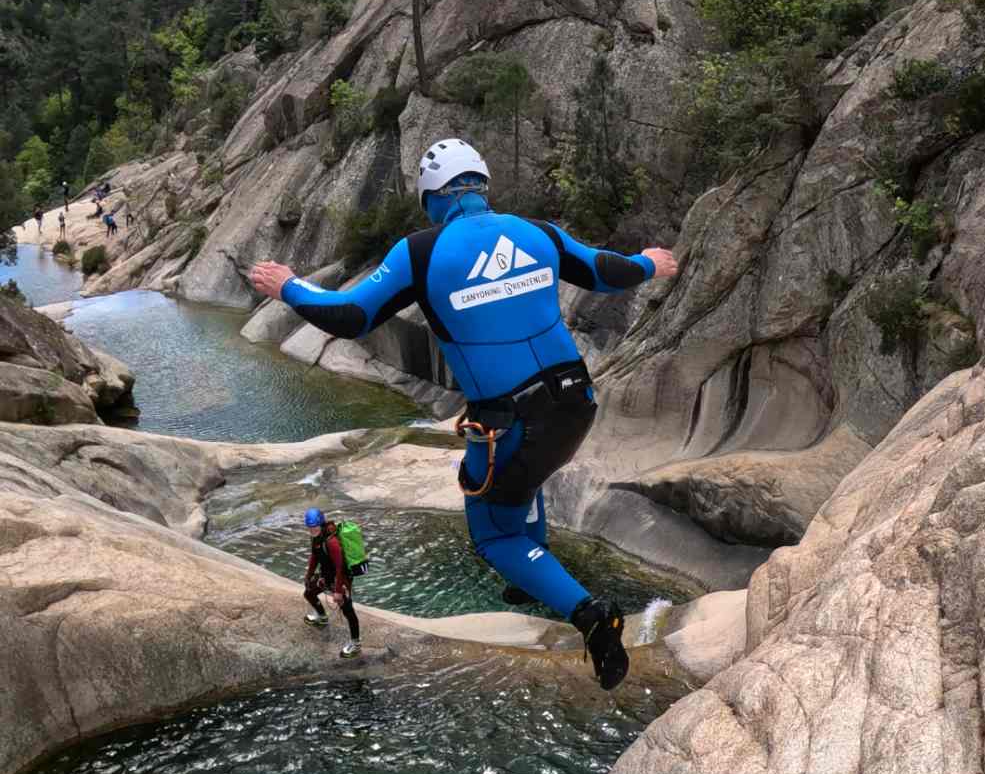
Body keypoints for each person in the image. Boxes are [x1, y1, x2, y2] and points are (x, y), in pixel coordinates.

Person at [247, 139, 679, 690]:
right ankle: (530, 577)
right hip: (576, 401)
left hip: (513, 419)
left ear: (433, 196)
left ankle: (592, 617)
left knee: (494, 534)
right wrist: (651, 263)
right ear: (482, 185)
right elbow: (603, 271)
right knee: (525, 478)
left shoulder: (422, 251)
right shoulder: (538, 232)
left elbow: (353, 315)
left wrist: (289, 286)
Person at [302, 507, 362, 658]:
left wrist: (338, 590)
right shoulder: (316, 537)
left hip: (341, 578)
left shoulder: (332, 541)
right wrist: (308, 575)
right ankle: (322, 618)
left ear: (321, 524)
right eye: (309, 528)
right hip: (327, 575)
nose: (312, 530)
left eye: (314, 527)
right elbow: (315, 556)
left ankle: (356, 644)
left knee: (347, 610)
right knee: (309, 592)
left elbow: (340, 566)